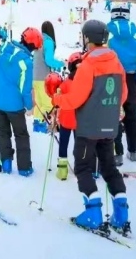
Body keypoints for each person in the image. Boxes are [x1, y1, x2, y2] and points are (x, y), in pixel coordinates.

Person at [52, 20, 129, 233]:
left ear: (87, 38)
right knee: (109, 168)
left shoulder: (88, 65)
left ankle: (93, 213)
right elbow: (123, 94)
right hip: (109, 126)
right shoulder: (116, 62)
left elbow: (75, 99)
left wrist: (57, 99)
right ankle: (121, 213)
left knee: (83, 168)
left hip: (88, 128)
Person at [0, 27, 40, 176]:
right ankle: (24, 168)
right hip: (14, 105)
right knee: (21, 134)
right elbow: (25, 88)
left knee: (3, 132)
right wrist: (29, 105)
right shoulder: (26, 62)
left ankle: (6, 163)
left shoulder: (4, 49)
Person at [106, 2, 136, 164]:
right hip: (131, 76)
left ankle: (116, 154)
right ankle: (134, 151)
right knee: (131, 114)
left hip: (111, 77)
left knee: (113, 113)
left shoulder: (107, 32)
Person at [51, 52, 82, 180]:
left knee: (63, 144)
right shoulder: (85, 83)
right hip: (80, 120)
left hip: (65, 119)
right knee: (79, 145)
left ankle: (62, 171)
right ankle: (80, 168)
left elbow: (56, 100)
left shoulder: (65, 84)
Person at [32, 20, 62, 133]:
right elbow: (49, 60)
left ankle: (37, 125)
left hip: (34, 76)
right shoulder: (48, 42)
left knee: (38, 102)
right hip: (43, 77)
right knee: (47, 103)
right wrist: (61, 64)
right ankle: (46, 125)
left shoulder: (39, 40)